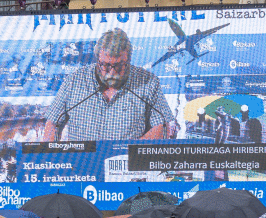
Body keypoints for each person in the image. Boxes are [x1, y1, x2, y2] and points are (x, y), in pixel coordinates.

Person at [43, 28, 176, 142]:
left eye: (118, 65)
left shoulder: (148, 82)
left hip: (127, 164)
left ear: (128, 60)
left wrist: (129, 151)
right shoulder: (74, 81)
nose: (112, 72)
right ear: (97, 60)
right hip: (82, 164)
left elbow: (162, 126)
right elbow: (53, 122)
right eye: (106, 65)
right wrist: (50, 157)